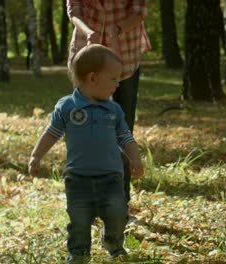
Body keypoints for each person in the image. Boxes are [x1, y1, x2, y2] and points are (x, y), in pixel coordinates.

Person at [28, 44, 144, 264]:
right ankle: (79, 252)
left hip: (111, 177)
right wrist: (36, 155)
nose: (118, 84)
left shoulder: (114, 110)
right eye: (113, 79)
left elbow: (126, 138)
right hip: (78, 178)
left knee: (118, 213)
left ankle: (112, 242)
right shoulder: (67, 107)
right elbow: (51, 133)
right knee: (79, 220)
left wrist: (135, 158)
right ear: (93, 78)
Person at [66, 0, 151, 203]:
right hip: (86, 55)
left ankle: (120, 200)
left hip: (124, 54)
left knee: (122, 129)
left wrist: (118, 30)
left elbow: (139, 11)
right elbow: (74, 11)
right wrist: (88, 32)